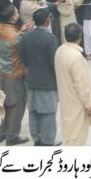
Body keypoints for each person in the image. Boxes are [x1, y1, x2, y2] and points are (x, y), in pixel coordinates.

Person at [18, 8, 60, 146]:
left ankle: (37, 138)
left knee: (34, 111)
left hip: (31, 80)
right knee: (48, 113)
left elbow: (23, 58)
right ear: (47, 20)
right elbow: (54, 62)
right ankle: (48, 141)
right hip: (47, 82)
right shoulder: (50, 39)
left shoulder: (25, 37)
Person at [0, 5, 31, 145]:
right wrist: (23, 32)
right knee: (16, 105)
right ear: (13, 16)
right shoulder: (17, 36)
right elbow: (21, 48)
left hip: (1, 72)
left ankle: (0, 133)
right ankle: (12, 136)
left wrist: (21, 31)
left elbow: (9, 39)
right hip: (15, 73)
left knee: (2, 103)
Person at [54, 23, 91, 145]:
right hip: (77, 105)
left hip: (66, 101)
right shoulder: (76, 56)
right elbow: (81, 84)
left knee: (70, 135)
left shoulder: (60, 50)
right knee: (77, 139)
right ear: (80, 36)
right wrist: (88, 104)